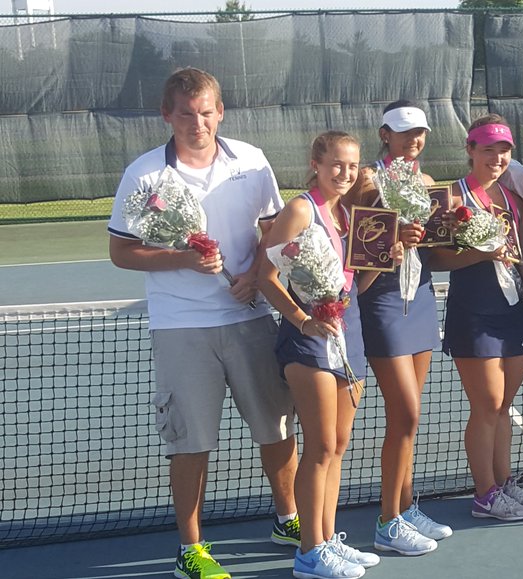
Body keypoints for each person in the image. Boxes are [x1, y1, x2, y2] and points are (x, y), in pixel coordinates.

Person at [107, 67, 299, 579]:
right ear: (166, 115)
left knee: (277, 427)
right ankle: (191, 549)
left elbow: (274, 233)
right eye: (187, 114)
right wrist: (184, 260)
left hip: (251, 317)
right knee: (191, 441)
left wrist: (255, 278)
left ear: (221, 112)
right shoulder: (145, 174)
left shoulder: (252, 161)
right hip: (181, 326)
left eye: (207, 112)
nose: (198, 123)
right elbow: (121, 252)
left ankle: (289, 519)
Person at [259, 131, 378, 579]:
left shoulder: (349, 214)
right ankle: (309, 552)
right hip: (307, 340)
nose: (345, 173)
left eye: (352, 165)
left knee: (339, 447)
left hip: (349, 333)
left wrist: (382, 259)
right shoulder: (299, 210)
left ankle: (327, 539)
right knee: (322, 446)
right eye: (336, 164)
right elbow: (266, 275)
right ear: (316, 163)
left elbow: (353, 286)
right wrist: (302, 320)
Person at [430, 114, 523, 520]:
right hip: (473, 311)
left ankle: (503, 482)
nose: (497, 158)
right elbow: (435, 260)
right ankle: (484, 495)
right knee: (487, 405)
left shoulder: (513, 201)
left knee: (503, 406)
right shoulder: (450, 199)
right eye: (488, 150)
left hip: (513, 310)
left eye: (504, 151)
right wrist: (480, 254)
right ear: (470, 150)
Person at [350, 100, 448, 554]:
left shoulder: (427, 184)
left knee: (408, 418)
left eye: (420, 132)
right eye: (404, 132)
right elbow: (358, 241)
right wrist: (396, 236)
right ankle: (388, 522)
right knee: (406, 414)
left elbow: (435, 249)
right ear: (384, 134)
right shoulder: (366, 181)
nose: (414, 139)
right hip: (382, 301)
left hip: (421, 298)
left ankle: (405, 508)